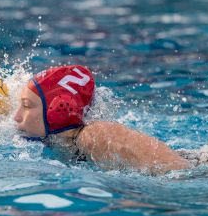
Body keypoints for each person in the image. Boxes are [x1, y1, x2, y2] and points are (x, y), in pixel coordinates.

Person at [13, 65, 191, 174]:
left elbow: (177, 169)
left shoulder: (96, 134)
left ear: (58, 110)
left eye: (27, 106)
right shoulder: (58, 140)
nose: (16, 116)